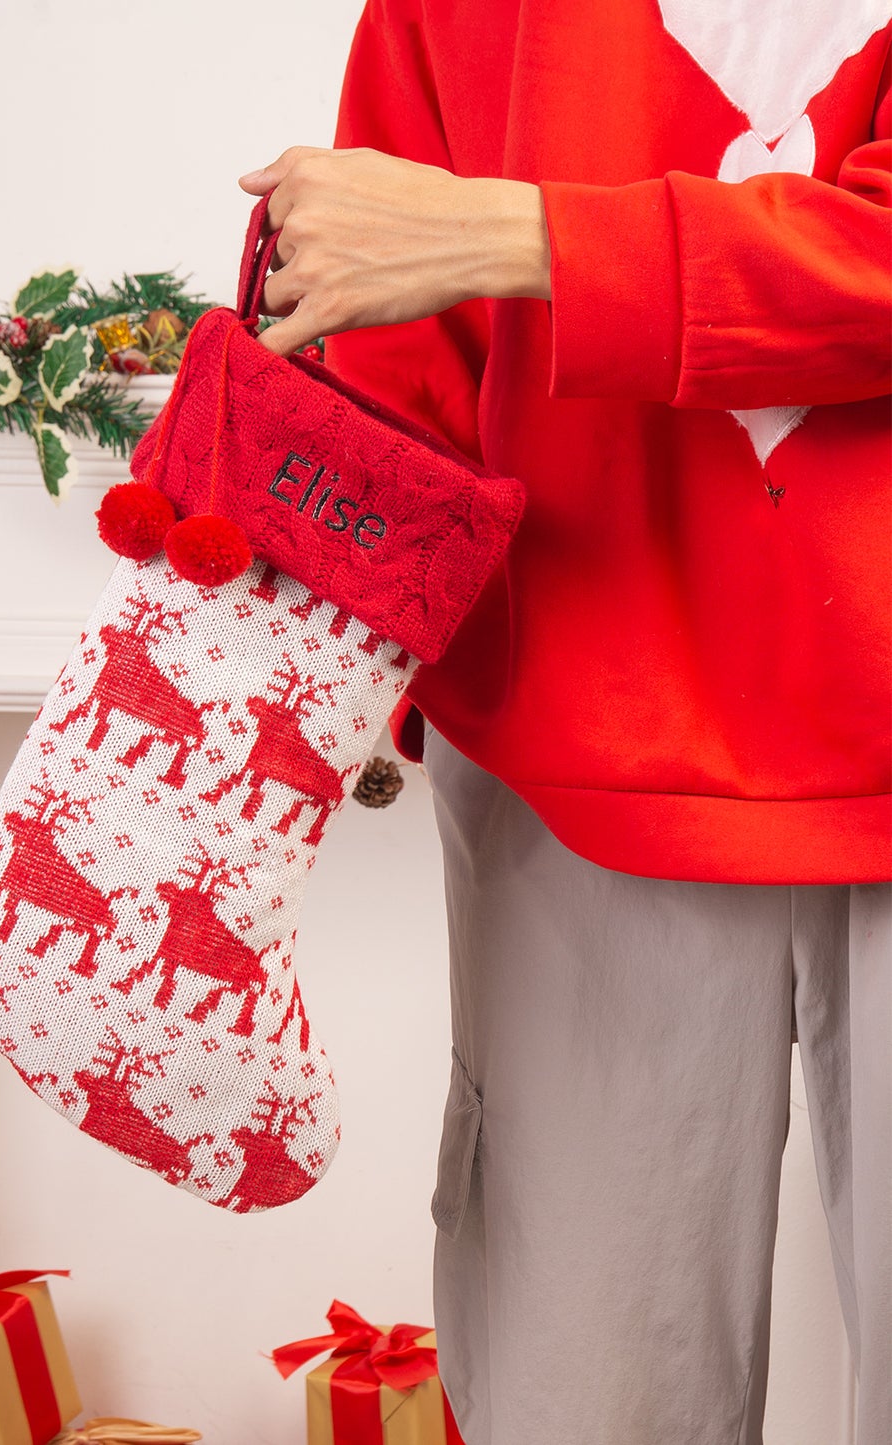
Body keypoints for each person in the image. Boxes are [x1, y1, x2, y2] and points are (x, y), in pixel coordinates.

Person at [237, 3, 892, 1442]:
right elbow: (382, 322)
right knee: (581, 1392)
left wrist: (514, 235)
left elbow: (428, 242)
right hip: (574, 735)